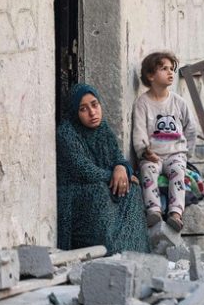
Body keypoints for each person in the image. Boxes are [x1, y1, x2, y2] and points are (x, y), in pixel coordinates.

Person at [56, 83, 150, 254]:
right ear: (75, 112)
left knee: (133, 188)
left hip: (101, 183)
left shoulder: (103, 129)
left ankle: (134, 249)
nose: (92, 112)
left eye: (94, 105)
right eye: (83, 109)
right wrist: (113, 175)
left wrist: (122, 168)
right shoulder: (66, 133)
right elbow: (84, 170)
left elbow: (117, 157)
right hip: (75, 193)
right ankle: (109, 250)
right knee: (100, 192)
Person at [132, 51, 196, 232]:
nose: (170, 72)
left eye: (171, 69)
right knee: (148, 171)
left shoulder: (179, 102)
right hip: (153, 156)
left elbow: (191, 129)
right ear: (150, 75)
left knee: (178, 172)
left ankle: (176, 213)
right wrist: (144, 151)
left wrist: (187, 154)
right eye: (164, 69)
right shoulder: (142, 103)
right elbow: (139, 131)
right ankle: (154, 211)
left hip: (176, 154)